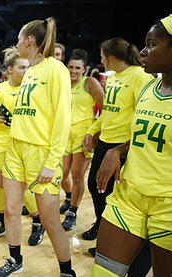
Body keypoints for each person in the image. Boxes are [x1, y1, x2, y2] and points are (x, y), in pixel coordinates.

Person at [72, 15, 172, 277]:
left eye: (152, 44)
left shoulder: (138, 81)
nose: (143, 51)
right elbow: (145, 134)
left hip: (167, 208)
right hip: (128, 198)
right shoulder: (151, 88)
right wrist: (119, 150)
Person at [0, 17, 79, 277]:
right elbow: (31, 110)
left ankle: (68, 276)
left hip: (41, 154)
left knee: (50, 219)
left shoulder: (56, 70)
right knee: (11, 209)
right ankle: (15, 258)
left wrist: (51, 161)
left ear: (29, 40)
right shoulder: (30, 71)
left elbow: (61, 119)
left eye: (19, 39)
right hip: (16, 149)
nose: (16, 44)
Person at [81, 38, 154, 243]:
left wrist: (127, 147)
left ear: (111, 57)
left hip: (123, 146)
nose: (101, 60)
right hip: (105, 141)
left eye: (102, 56)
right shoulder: (111, 77)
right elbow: (108, 111)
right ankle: (101, 225)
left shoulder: (140, 76)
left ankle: (112, 238)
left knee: (114, 194)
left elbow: (143, 113)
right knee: (96, 186)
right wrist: (92, 130)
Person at [0, 46, 43, 246]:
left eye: (28, 67)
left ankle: (37, 221)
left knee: (22, 188)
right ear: (10, 69)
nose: (26, 71)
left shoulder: (30, 91)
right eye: (22, 67)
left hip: (18, 146)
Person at [59, 49, 104, 231]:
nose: (73, 71)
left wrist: (94, 133)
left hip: (83, 135)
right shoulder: (63, 84)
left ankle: (72, 212)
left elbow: (106, 110)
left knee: (77, 176)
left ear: (84, 70)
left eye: (77, 68)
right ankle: (69, 197)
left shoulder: (90, 83)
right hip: (64, 135)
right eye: (70, 67)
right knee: (61, 175)